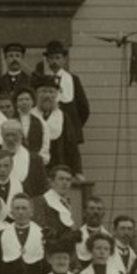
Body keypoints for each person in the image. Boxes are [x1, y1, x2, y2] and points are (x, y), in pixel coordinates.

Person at [42, 40, 90, 177]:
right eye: (51, 58)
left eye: (58, 58)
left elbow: (83, 107)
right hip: (48, 129)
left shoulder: (73, 79)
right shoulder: (43, 79)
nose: (54, 62)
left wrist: (74, 126)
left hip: (68, 132)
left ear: (64, 60)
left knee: (68, 163)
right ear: (46, 60)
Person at [0, 122, 48, 199]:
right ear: (2, 136)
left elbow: (42, 188)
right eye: (7, 135)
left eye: (14, 135)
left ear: (21, 135)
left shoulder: (35, 159)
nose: (10, 139)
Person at [33, 165, 78, 235]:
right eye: (61, 179)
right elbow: (40, 230)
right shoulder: (40, 202)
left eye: (68, 180)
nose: (65, 183)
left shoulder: (66, 204)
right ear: (51, 182)